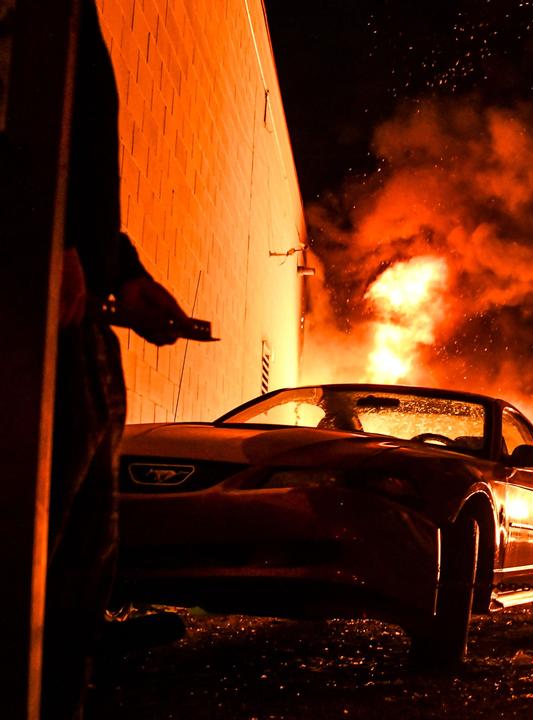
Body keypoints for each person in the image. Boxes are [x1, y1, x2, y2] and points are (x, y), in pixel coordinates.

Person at [45, 2, 190, 717]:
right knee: (34, 563)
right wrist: (52, 236)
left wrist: (119, 270)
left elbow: (82, 155)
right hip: (34, 321)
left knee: (80, 567)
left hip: (77, 325)